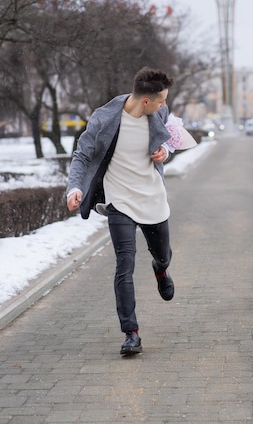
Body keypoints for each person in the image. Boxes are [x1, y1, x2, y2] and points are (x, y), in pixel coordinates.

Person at [66, 67, 175, 356]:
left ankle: (160, 269)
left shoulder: (159, 114)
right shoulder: (104, 117)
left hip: (152, 196)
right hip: (119, 201)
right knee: (124, 266)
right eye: (162, 101)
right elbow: (82, 154)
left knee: (163, 254)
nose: (165, 105)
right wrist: (74, 188)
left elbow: (169, 140)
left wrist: (164, 151)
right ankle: (131, 333)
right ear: (146, 102)